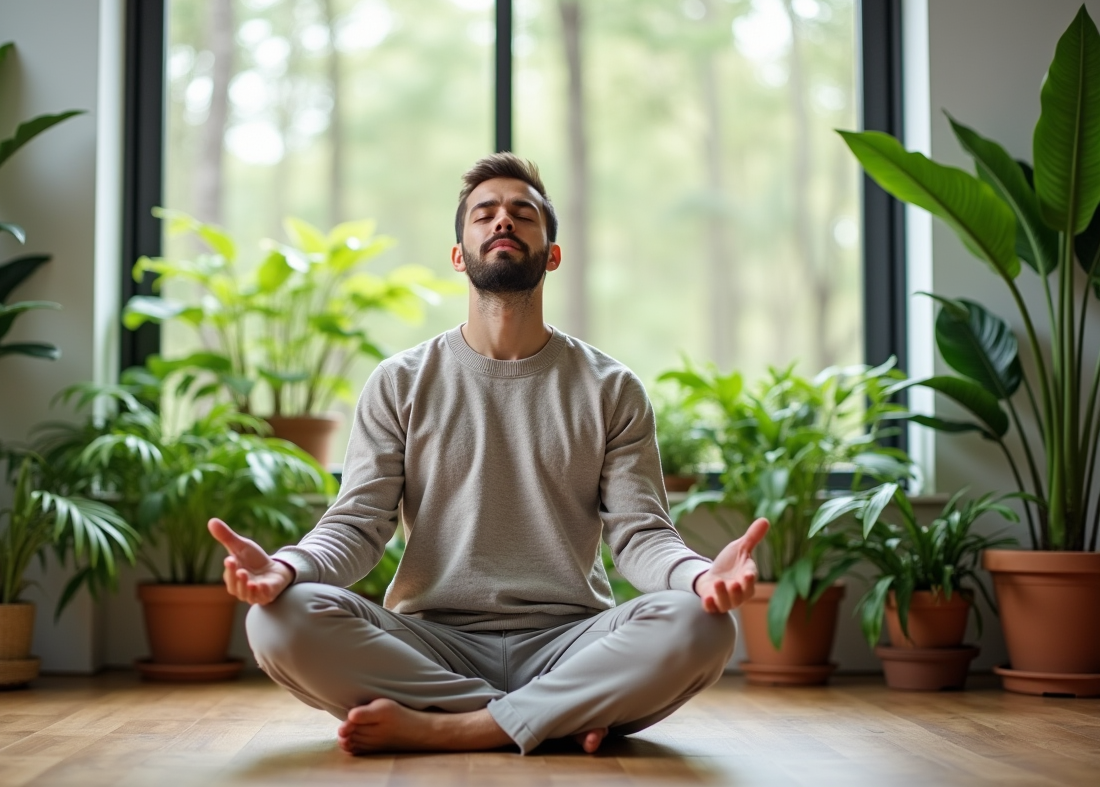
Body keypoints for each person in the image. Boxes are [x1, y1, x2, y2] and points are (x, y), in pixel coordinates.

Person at [207, 153, 768, 757]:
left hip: (571, 642)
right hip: (430, 643)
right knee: (276, 620)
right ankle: (551, 717)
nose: (503, 221)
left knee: (700, 626)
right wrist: (286, 569)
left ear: (551, 253)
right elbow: (357, 525)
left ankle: (454, 726)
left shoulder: (612, 388)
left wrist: (701, 576)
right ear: (459, 255)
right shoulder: (399, 381)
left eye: (522, 213)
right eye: (485, 214)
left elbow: (641, 535)